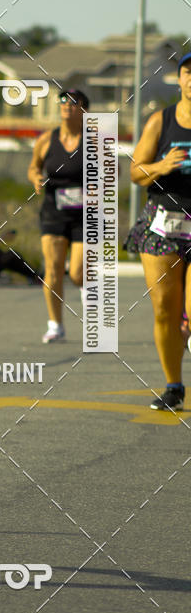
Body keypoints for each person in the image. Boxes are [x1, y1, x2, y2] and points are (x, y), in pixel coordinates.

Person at [124, 52, 191, 412]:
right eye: (187, 72)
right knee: (164, 307)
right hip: (163, 221)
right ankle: (174, 386)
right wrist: (162, 165)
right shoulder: (160, 122)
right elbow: (135, 173)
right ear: (179, 79)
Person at [27, 89, 89, 343]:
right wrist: (35, 179)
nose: (67, 105)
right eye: (63, 101)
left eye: (74, 102)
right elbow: (34, 166)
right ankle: (56, 325)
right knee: (52, 270)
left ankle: (87, 294)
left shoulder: (95, 139)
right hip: (54, 210)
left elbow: (113, 170)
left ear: (84, 110)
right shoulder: (46, 140)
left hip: (86, 214)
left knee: (76, 272)